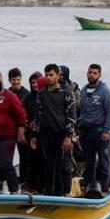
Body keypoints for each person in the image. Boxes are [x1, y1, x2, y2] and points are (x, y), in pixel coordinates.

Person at [30, 64, 76, 196]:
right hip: (46, 135)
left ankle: (66, 192)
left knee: (64, 166)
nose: (48, 78)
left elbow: (71, 117)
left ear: (57, 76)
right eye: (47, 75)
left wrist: (68, 136)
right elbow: (38, 116)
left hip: (62, 135)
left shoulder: (67, 93)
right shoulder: (42, 94)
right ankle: (50, 193)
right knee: (49, 166)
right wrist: (34, 135)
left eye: (51, 75)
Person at [77, 63, 110, 198]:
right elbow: (81, 110)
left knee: (104, 161)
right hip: (86, 132)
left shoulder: (105, 91)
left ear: (99, 75)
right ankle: (88, 187)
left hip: (100, 132)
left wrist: (107, 130)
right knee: (89, 162)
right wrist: (79, 126)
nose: (92, 75)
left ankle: (104, 188)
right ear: (87, 74)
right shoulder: (83, 91)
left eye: (95, 73)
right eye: (90, 72)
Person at [22, 72, 45, 193]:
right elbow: (23, 114)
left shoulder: (46, 96)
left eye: (37, 82)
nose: (35, 85)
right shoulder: (28, 98)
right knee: (32, 160)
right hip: (32, 133)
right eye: (32, 82)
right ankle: (31, 185)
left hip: (45, 133)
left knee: (44, 160)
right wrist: (26, 124)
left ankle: (42, 185)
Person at [8, 68, 31, 188]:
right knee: (7, 157)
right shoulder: (6, 94)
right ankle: (9, 179)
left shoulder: (26, 94)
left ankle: (24, 179)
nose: (16, 82)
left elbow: (28, 113)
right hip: (9, 131)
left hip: (23, 131)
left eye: (18, 79)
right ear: (9, 80)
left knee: (24, 156)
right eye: (13, 80)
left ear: (21, 79)